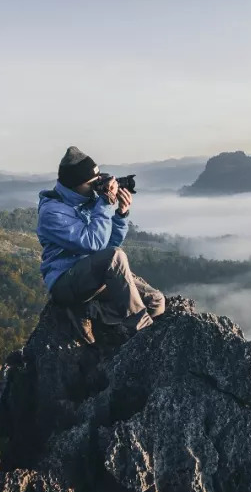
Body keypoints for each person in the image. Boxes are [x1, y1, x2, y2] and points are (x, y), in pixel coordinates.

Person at [36, 146, 165, 344]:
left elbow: (108, 245)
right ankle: (141, 331)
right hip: (66, 282)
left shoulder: (88, 201)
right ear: (74, 184)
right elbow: (94, 245)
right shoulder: (53, 212)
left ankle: (91, 311)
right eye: (92, 183)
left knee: (156, 302)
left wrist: (121, 214)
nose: (97, 186)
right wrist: (104, 203)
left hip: (94, 277)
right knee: (115, 256)